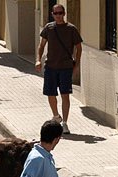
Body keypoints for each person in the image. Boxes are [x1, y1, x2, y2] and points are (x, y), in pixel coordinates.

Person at [35, 4, 82, 134]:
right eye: (56, 13)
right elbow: (41, 45)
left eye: (60, 13)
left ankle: (65, 123)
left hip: (65, 68)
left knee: (65, 95)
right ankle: (56, 116)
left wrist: (76, 65)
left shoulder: (71, 29)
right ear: (52, 14)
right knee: (50, 94)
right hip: (50, 66)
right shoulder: (48, 28)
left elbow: (79, 47)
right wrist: (38, 60)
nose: (58, 16)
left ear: (64, 13)